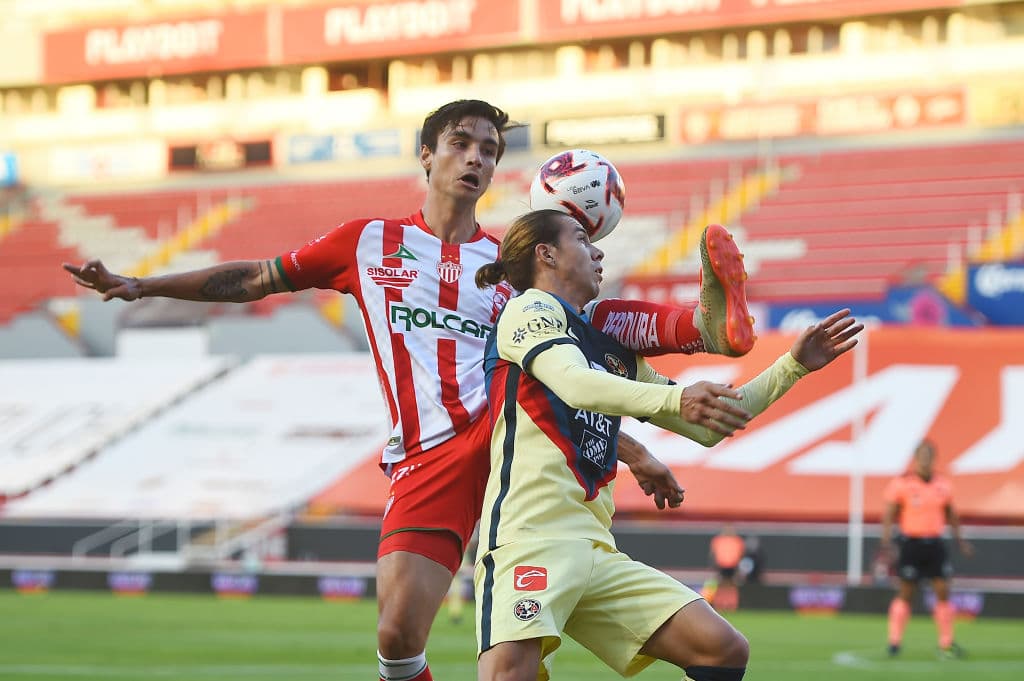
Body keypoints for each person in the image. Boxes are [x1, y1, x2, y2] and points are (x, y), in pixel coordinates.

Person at [63, 100, 757, 681]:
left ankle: (703, 325)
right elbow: (255, 278)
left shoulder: (511, 266)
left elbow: (554, 369)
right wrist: (143, 283)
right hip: (431, 452)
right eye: (461, 143)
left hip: (516, 440)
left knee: (597, 323)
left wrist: (630, 449)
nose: (477, 158)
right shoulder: (367, 243)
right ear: (427, 156)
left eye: (488, 148)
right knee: (397, 636)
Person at [473, 209, 863, 681]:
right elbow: (573, 383)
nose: (598, 251)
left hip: (596, 548)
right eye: (580, 238)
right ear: (546, 254)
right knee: (508, 676)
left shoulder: (610, 349)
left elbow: (708, 425)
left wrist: (793, 366)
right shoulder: (529, 309)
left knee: (720, 648)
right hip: (530, 539)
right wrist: (679, 396)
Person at [880, 439, 974, 659]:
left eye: (929, 455)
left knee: (943, 590)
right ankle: (894, 641)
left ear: (934, 457)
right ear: (915, 458)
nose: (925, 459)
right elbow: (889, 514)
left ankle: (946, 642)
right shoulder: (902, 484)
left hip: (935, 543)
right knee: (906, 592)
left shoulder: (943, 484)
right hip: (911, 543)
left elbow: (951, 514)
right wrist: (886, 542)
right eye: (922, 455)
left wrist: (960, 540)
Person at [709, 523, 745, 611]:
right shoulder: (718, 540)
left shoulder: (737, 540)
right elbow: (713, 553)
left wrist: (739, 569)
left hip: (733, 566)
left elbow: (740, 555)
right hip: (721, 565)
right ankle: (720, 603)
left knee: (732, 585)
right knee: (721, 585)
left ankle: (731, 604)